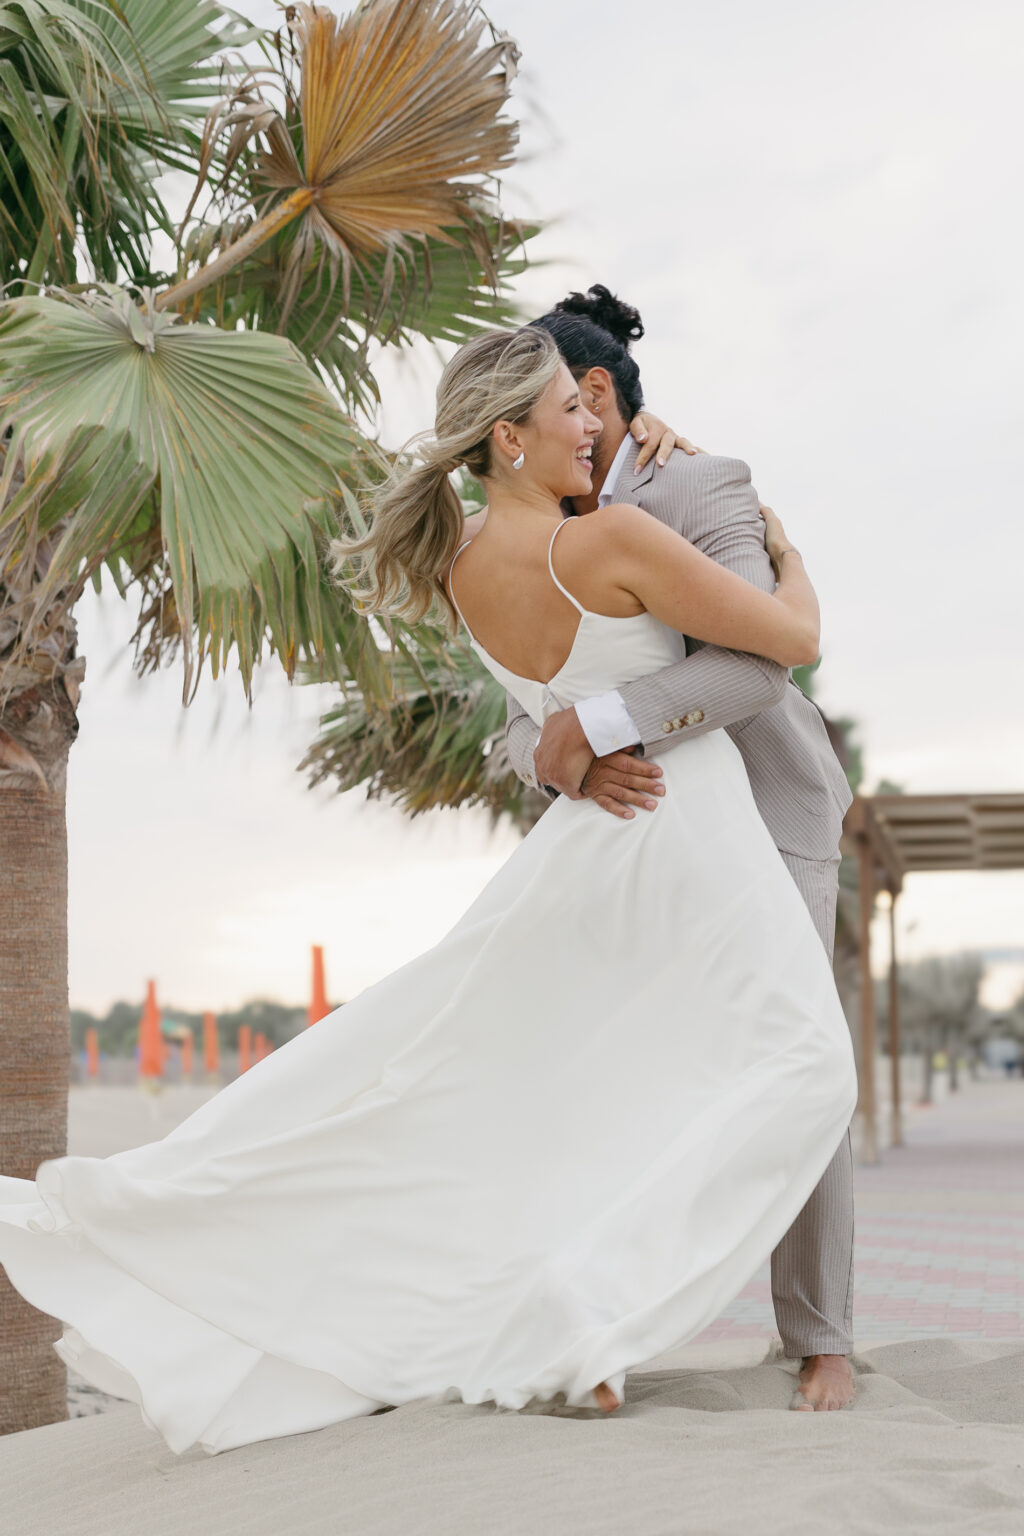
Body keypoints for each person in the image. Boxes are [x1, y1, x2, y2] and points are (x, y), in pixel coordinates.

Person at [0, 325, 857, 1457]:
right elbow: (783, 645)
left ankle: (581, 1320)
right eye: (569, 411)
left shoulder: (459, 569)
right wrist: (789, 554)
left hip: (597, 840)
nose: (593, 423)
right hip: (682, 829)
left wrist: (577, 734)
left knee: (569, 1088)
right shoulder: (612, 540)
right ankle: (587, 1310)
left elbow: (545, 712)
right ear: (508, 437)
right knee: (802, 1066)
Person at [505, 286, 857, 1411]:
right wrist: (556, 759)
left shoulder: (700, 484)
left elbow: (761, 668)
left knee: (796, 1059)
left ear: (594, 398)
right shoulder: (538, 525)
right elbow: (520, 711)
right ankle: (599, 1329)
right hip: (634, 827)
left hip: (768, 814)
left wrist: (604, 723)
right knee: (612, 1069)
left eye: (552, 396)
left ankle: (821, 1335)